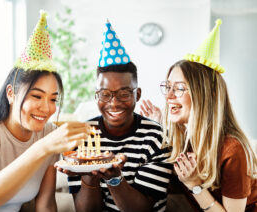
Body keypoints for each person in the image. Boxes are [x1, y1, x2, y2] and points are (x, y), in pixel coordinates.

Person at [0, 11, 90, 212]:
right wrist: (43, 147)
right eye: (36, 96)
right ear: (11, 93)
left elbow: (45, 204)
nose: (47, 108)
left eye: (53, 99)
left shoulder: (47, 133)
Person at [141, 19, 257, 211]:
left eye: (179, 88)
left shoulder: (232, 150)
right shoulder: (181, 139)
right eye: (168, 87)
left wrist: (195, 185)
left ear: (204, 96)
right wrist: (160, 124)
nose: (169, 96)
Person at [57, 20, 172, 212]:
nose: (114, 102)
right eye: (105, 94)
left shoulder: (157, 137)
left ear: (138, 94)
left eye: (124, 93)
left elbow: (142, 210)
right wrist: (88, 173)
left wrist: (114, 178)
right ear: (96, 95)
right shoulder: (83, 137)